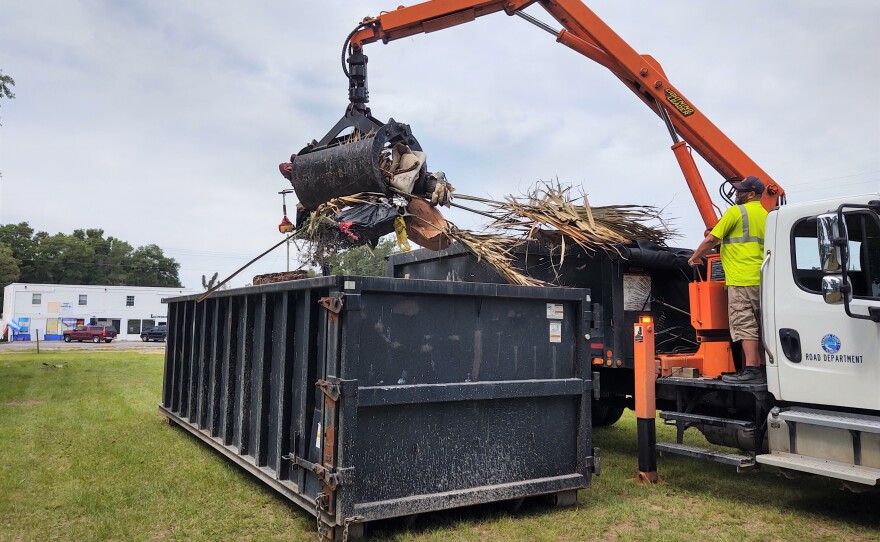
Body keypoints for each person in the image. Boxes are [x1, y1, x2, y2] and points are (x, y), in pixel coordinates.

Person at [688, 176, 769, 383]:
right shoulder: (766, 215)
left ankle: (751, 369)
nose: (736, 194)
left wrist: (696, 257)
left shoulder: (736, 212)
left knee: (745, 323)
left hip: (741, 278)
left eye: (741, 191)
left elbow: (712, 238)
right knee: (762, 325)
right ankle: (763, 368)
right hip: (763, 279)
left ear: (751, 194)